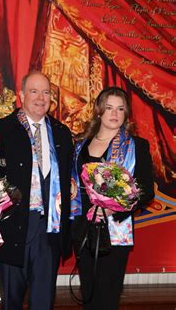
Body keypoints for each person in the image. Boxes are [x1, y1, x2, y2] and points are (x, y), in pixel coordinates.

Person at [0, 71, 74, 310]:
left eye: (46, 92)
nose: (40, 98)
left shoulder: (61, 133)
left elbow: (69, 175)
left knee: (43, 302)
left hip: (49, 231)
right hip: (12, 229)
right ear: (21, 96)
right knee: (11, 302)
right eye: (34, 91)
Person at [70, 87, 154, 310]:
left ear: (126, 114)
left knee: (107, 297)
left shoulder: (137, 146)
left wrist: (114, 209)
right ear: (99, 111)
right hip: (84, 231)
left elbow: (146, 191)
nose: (114, 114)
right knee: (88, 294)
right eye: (109, 108)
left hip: (115, 231)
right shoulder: (80, 145)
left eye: (120, 109)